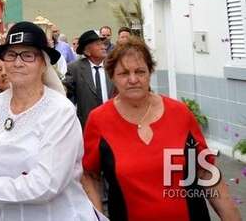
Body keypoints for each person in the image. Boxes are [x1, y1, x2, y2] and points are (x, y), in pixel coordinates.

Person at [0, 22, 100, 220]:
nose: (17, 63)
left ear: (43, 63)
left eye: (28, 55)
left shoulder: (60, 112)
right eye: (11, 55)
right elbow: (3, 157)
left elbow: (46, 184)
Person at [82, 37, 240, 221]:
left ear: (150, 72)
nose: (133, 79)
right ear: (112, 77)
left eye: (140, 71)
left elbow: (205, 171)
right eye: (124, 73)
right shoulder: (99, 120)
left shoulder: (179, 113)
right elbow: (91, 176)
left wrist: (231, 216)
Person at [64, 30, 114, 129]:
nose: (103, 47)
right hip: (88, 126)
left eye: (103, 44)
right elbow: (65, 92)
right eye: (98, 44)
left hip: (112, 124)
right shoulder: (75, 68)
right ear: (87, 51)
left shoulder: (113, 65)